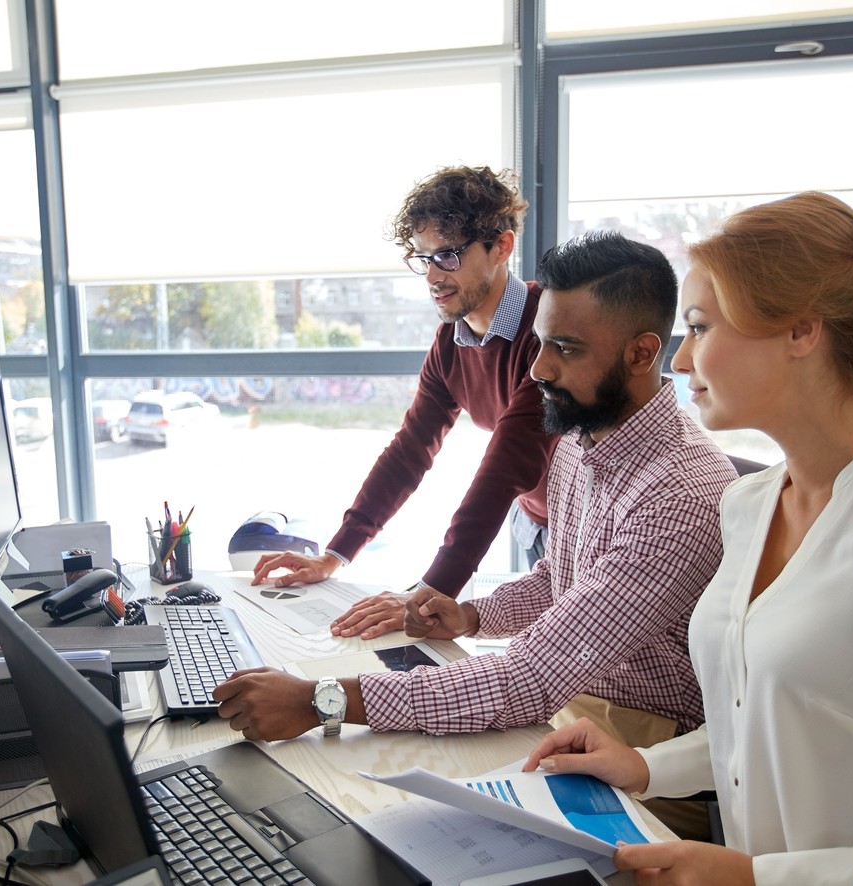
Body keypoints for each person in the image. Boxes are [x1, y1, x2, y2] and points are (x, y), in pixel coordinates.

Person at [522, 192, 853, 885]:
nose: (679, 364)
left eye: (701, 328)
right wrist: (649, 766)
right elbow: (763, 721)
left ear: (802, 330)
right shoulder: (748, 504)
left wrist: (758, 879)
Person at [216, 231, 737, 752]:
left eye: (566, 349)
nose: (539, 369)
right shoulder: (581, 440)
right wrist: (471, 615)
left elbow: (531, 679)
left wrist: (318, 701)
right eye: (540, 343)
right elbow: (560, 578)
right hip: (573, 701)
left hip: (647, 739)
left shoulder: (681, 496)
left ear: (642, 354)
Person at [250, 166, 557, 640]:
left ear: (502, 247)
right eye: (424, 258)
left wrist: (429, 593)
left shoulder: (548, 332)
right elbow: (409, 451)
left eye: (449, 256)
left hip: (590, 519)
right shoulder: (451, 344)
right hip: (535, 519)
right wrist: (337, 554)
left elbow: (506, 467)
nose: (433, 276)